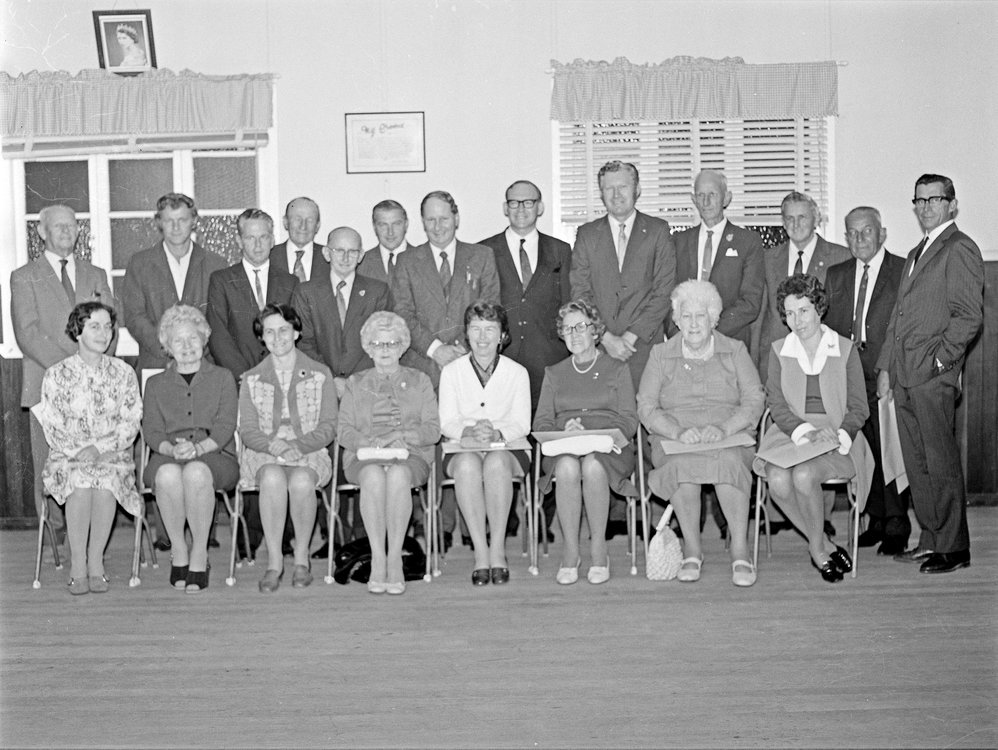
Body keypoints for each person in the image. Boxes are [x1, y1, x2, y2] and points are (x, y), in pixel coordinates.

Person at [876, 174, 984, 574]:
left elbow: (968, 317)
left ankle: (954, 548)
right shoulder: (916, 252)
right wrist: (886, 366)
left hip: (932, 376)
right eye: (919, 200)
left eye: (933, 200)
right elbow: (898, 318)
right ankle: (932, 539)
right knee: (917, 463)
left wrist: (941, 363)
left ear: (951, 205)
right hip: (904, 375)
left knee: (940, 462)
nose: (925, 207)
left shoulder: (959, 247)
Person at [638, 281, 765, 587]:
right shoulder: (660, 354)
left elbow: (754, 399)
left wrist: (725, 428)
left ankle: (740, 550)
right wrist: (677, 431)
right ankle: (692, 550)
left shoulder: (735, 350)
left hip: (727, 434)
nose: (693, 324)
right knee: (680, 466)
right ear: (677, 320)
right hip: (676, 438)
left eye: (701, 316)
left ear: (713, 319)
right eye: (686, 316)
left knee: (730, 461)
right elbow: (646, 406)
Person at [753, 274, 873, 583]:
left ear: (818, 308)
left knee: (804, 475)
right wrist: (805, 431)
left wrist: (839, 433)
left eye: (804, 310)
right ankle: (824, 544)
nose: (797, 320)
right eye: (790, 313)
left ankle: (818, 552)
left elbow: (859, 407)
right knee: (777, 479)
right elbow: (777, 406)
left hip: (837, 437)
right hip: (792, 433)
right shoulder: (779, 350)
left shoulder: (844, 349)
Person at [11, 204, 115, 550]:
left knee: (91, 460)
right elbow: (27, 332)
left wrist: (94, 370)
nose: (67, 231)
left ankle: (89, 540)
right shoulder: (24, 276)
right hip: (46, 385)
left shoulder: (95, 273)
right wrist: (71, 372)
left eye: (72, 225)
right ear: (42, 232)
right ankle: (55, 540)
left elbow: (110, 325)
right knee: (51, 466)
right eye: (58, 226)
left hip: (96, 386)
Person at [34, 302, 142, 595]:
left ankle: (96, 562)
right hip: (67, 457)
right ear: (77, 331)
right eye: (95, 326)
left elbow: (131, 421)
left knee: (105, 483)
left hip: (112, 455)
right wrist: (81, 451)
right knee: (80, 483)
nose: (104, 333)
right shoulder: (56, 374)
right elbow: (52, 426)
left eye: (108, 327)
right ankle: (78, 563)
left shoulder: (124, 373)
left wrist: (100, 448)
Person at [532, 300, 637, 585]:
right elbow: (541, 424)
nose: (574, 334)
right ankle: (571, 551)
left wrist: (598, 433)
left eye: (580, 327)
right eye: (567, 329)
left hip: (608, 447)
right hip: (566, 444)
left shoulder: (617, 368)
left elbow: (629, 419)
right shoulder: (554, 373)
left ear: (595, 330)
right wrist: (563, 428)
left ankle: (598, 548)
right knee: (567, 467)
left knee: (592, 465)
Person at [824, 207, 910, 556]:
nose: (859, 238)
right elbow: (828, 326)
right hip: (848, 374)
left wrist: (889, 368)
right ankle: (876, 519)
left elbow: (904, 327)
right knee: (864, 448)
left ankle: (897, 523)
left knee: (890, 446)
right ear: (846, 237)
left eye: (867, 231)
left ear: (882, 233)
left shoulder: (902, 270)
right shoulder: (837, 274)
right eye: (853, 232)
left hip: (886, 371)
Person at [337, 312, 440, 595]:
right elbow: (344, 431)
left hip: (410, 455)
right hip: (364, 456)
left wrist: (401, 437)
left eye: (392, 343)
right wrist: (371, 441)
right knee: (372, 475)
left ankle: (394, 558)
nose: (385, 350)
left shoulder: (420, 380)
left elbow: (432, 430)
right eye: (378, 344)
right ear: (368, 347)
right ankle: (377, 558)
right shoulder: (355, 382)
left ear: (403, 346)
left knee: (397, 475)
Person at [238, 304, 337, 593]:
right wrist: (275, 446)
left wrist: (296, 445)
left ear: (296, 332)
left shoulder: (320, 374)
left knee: (303, 481)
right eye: (269, 332)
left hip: (310, 449)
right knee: (271, 477)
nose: (277, 337)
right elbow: (248, 431)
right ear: (262, 337)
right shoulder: (251, 378)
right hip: (265, 451)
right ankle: (274, 562)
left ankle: (302, 559)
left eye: (283, 330)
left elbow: (328, 426)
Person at [142, 305, 239, 593]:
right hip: (167, 455)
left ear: (204, 339)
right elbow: (152, 431)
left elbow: (225, 426)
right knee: (167, 475)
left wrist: (198, 449)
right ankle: (178, 550)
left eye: (192, 338)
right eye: (178, 340)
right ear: (167, 347)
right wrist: (172, 451)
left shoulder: (223, 377)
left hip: (215, 454)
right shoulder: (155, 384)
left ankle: (199, 553)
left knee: (196, 472)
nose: (186, 346)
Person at [438, 302, 531, 586]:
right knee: (467, 466)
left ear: (502, 335)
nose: (482, 337)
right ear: (466, 333)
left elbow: (522, 424)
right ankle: (480, 552)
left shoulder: (518, 372)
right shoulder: (451, 371)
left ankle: (498, 550)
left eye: (490, 329)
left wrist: (497, 433)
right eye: (475, 329)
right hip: (462, 446)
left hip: (508, 447)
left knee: (497, 464)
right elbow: (447, 422)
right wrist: (469, 431)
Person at [569, 160, 676, 389]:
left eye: (623, 187)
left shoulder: (658, 231)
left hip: (644, 347)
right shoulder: (587, 235)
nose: (616, 194)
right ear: (601, 194)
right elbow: (580, 292)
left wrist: (630, 337)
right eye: (609, 188)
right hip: (598, 348)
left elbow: (664, 291)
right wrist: (605, 337)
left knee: (644, 409)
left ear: (637, 189)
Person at [478, 180, 572, 410]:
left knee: (546, 425)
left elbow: (568, 304)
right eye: (514, 202)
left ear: (540, 207)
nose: (521, 208)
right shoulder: (484, 251)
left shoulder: (560, 250)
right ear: (505, 208)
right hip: (501, 360)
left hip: (549, 359)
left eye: (528, 202)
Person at [391, 190, 500, 387]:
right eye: (431, 220)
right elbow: (402, 313)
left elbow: (490, 311)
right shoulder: (406, 261)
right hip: (421, 371)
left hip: (471, 366)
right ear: (423, 222)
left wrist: (459, 350)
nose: (437, 226)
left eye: (444, 219)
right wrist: (436, 350)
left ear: (456, 219)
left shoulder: (482, 256)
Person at [122, 193, 228, 372]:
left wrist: (195, 349)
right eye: (169, 220)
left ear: (194, 221)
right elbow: (134, 317)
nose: (176, 227)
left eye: (182, 220)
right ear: (159, 223)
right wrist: (167, 348)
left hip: (205, 365)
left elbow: (221, 319)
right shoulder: (139, 264)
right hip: (156, 364)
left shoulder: (215, 264)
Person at [668, 170, 764, 352]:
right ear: (693, 200)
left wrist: (707, 334)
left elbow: (750, 302)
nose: (706, 202)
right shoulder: (678, 242)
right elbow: (668, 296)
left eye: (712, 194)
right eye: (700, 195)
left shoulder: (748, 242)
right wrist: (681, 336)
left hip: (729, 345)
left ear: (726, 198)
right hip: (684, 345)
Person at [293, 226, 392, 398]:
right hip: (319, 387)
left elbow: (382, 342)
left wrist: (356, 382)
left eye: (352, 251)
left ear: (361, 255)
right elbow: (304, 343)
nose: (345, 257)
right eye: (339, 250)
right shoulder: (306, 292)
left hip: (367, 388)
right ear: (326, 253)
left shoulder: (378, 292)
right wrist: (331, 379)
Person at [760, 191, 850, 376]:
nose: (796, 224)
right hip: (777, 358)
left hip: (822, 359)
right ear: (783, 222)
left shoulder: (841, 257)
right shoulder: (767, 259)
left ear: (816, 219)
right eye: (790, 218)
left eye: (802, 217)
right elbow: (761, 316)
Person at [207, 208, 299, 380]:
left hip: (281, 378)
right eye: (250, 238)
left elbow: (294, 333)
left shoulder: (290, 282)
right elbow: (218, 336)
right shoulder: (221, 281)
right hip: (238, 379)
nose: (258, 245)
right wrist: (245, 376)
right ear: (239, 241)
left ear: (272, 240)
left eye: (263, 237)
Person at [358, 200, 416, 285]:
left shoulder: (425, 261)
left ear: (406, 224)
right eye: (383, 225)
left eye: (396, 224)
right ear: (374, 227)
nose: (390, 232)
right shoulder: (360, 264)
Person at [270, 197, 328, 282]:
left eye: (310, 220)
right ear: (285, 222)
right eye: (297, 219)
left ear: (317, 225)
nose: (303, 226)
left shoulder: (330, 258)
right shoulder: (269, 257)